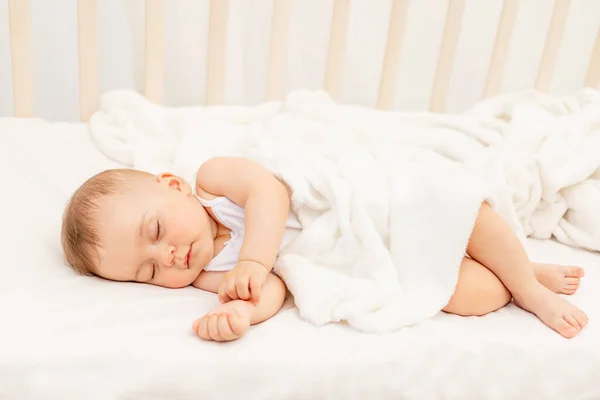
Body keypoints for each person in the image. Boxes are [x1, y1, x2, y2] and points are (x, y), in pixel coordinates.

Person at [61, 157, 588, 342]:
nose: (169, 256)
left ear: (171, 185)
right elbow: (272, 289)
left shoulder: (215, 183)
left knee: (461, 210)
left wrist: (252, 259)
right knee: (468, 295)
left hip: (368, 206)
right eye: (149, 272)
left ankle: (530, 286)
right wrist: (243, 312)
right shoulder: (206, 277)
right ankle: (511, 279)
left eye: (155, 233)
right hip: (360, 255)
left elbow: (272, 192)